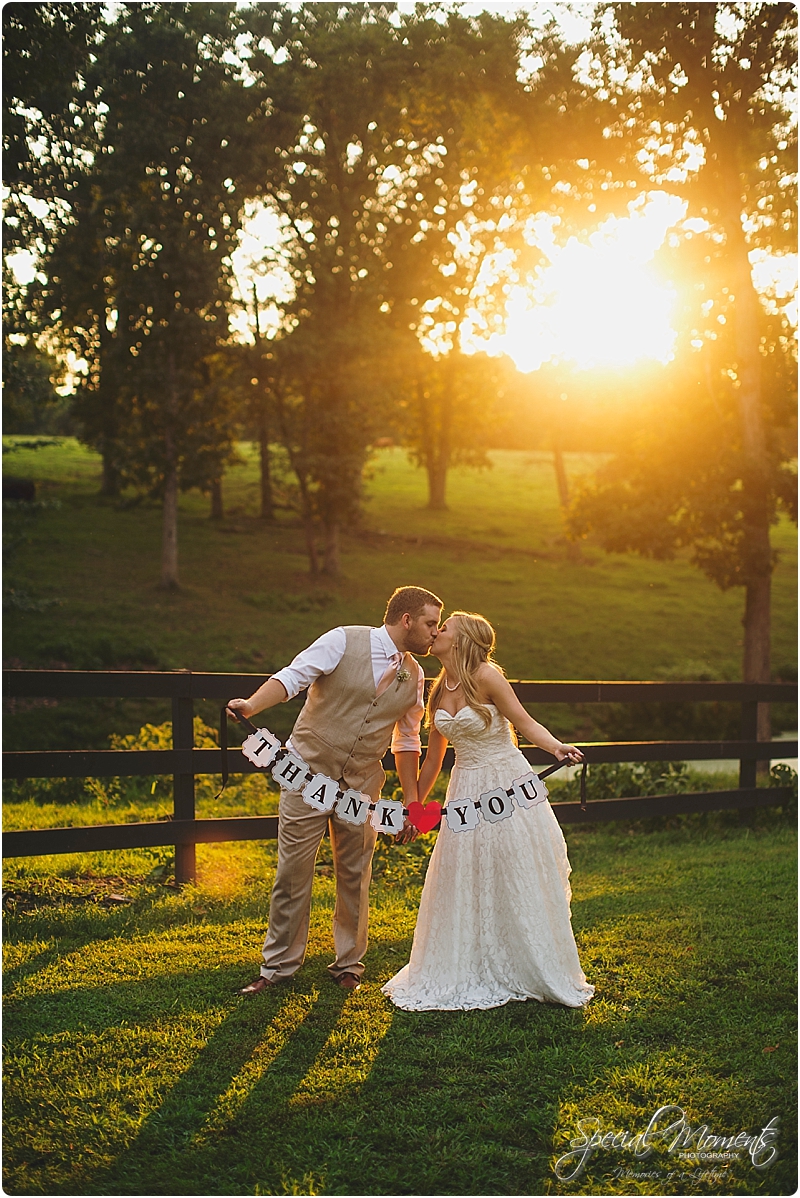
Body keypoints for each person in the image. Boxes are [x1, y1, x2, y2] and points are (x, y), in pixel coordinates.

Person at [228, 585, 443, 994]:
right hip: (305, 775)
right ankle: (277, 969)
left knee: (355, 874)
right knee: (292, 872)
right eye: (431, 623)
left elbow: (408, 740)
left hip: (362, 788)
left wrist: (412, 802)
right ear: (407, 620)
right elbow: (293, 677)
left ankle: (349, 965)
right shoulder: (342, 640)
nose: (436, 632)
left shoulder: (415, 676)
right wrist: (252, 706)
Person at [382, 611, 594, 1011]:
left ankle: (529, 962)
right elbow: (432, 760)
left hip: (506, 783)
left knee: (512, 866)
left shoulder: (487, 676)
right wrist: (416, 808)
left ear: (462, 641)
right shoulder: (438, 689)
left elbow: (524, 722)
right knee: (466, 870)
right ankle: (469, 960)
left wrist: (556, 748)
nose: (437, 631)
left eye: (445, 628)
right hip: (465, 787)